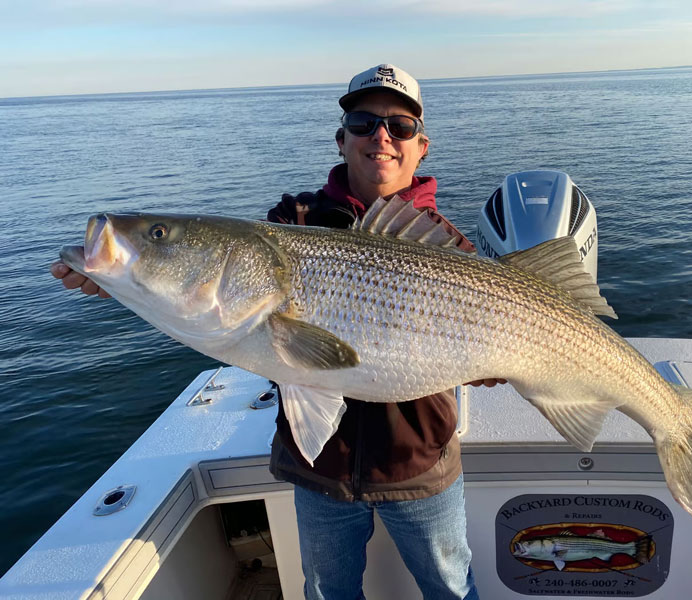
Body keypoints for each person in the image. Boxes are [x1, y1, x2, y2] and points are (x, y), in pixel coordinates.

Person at [51, 63, 485, 599]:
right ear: (341, 139)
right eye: (362, 121)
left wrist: (500, 361)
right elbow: (210, 310)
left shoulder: (447, 247)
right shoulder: (291, 220)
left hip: (418, 465)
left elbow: (489, 361)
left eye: (399, 126)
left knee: (450, 588)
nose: (380, 137)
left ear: (421, 146)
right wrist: (120, 282)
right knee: (327, 591)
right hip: (320, 473)